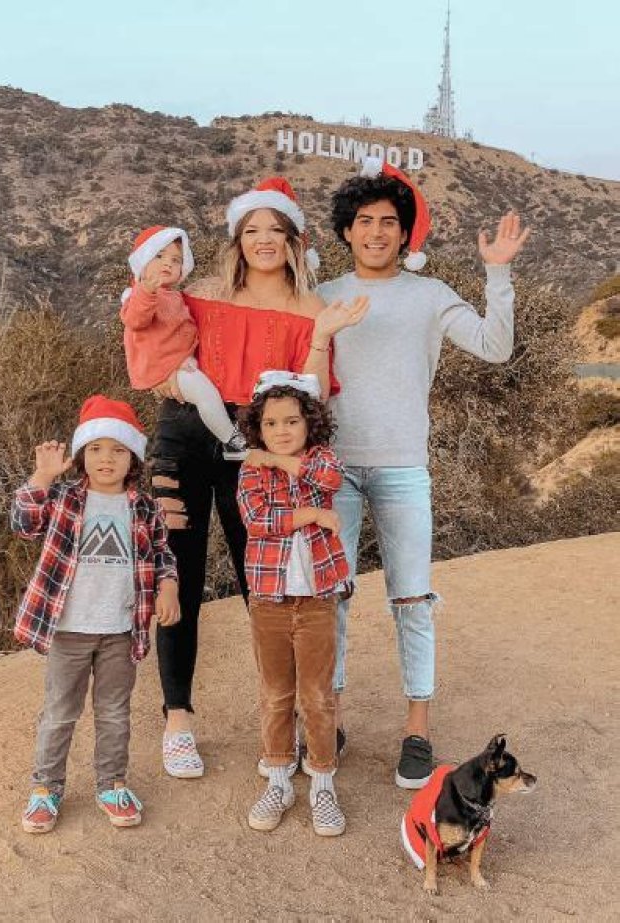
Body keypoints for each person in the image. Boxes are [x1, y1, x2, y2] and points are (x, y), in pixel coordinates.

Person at [317, 157, 529, 789]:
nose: (376, 232)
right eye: (364, 221)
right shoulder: (322, 295)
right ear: (346, 230)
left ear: (405, 232)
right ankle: (330, 720)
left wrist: (498, 273)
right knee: (332, 599)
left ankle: (417, 733)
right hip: (333, 469)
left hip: (403, 467)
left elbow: (495, 347)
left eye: (389, 222)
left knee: (412, 599)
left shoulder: (430, 295)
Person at [149, 177, 369, 779]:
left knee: (268, 584)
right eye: (252, 229)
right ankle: (177, 720)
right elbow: (152, 343)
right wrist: (162, 375)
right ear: (237, 238)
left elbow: (313, 394)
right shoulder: (203, 294)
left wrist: (320, 338)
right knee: (179, 574)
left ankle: (296, 716)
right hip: (184, 437)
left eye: (276, 229)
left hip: (256, 448)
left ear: (294, 239)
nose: (264, 239)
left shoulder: (313, 309)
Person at [12, 395, 180, 832]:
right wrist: (42, 476)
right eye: (97, 449)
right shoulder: (64, 497)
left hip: (121, 629)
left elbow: (162, 554)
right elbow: (24, 523)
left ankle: (112, 783)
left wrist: (168, 585)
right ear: (82, 455)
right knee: (59, 713)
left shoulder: (145, 507)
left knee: (114, 712)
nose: (107, 458)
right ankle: (45, 788)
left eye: (119, 450)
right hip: (68, 628)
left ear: (133, 458)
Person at [237, 370, 350, 836]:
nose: (281, 431)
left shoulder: (321, 459)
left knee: (318, 696)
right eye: (270, 424)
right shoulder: (250, 470)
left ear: (309, 424)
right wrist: (313, 513)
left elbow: (331, 478)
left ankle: (322, 783)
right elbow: (257, 519)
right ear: (258, 428)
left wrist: (282, 463)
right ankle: (279, 778)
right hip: (269, 600)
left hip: (318, 600)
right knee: (275, 693)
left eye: (291, 421)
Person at [120, 225, 247, 460]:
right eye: (159, 256)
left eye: (176, 260)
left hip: (180, 362)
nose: (167, 263)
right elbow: (135, 320)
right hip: (165, 368)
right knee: (205, 394)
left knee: (207, 391)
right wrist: (146, 290)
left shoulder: (173, 295)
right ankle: (230, 439)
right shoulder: (141, 295)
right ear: (142, 260)